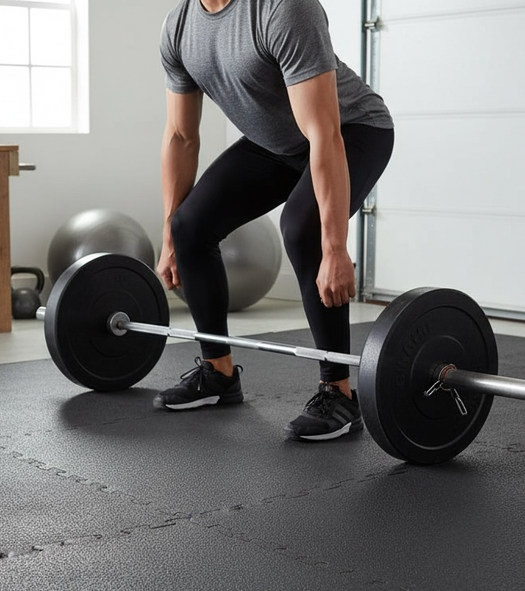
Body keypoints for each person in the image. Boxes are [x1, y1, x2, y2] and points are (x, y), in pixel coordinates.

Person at [154, 0, 394, 441]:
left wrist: (335, 248)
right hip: (276, 144)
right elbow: (181, 136)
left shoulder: (284, 9)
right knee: (188, 226)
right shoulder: (180, 26)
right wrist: (168, 237)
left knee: (303, 228)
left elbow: (324, 132)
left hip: (354, 130)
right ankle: (218, 373)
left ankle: (339, 392)